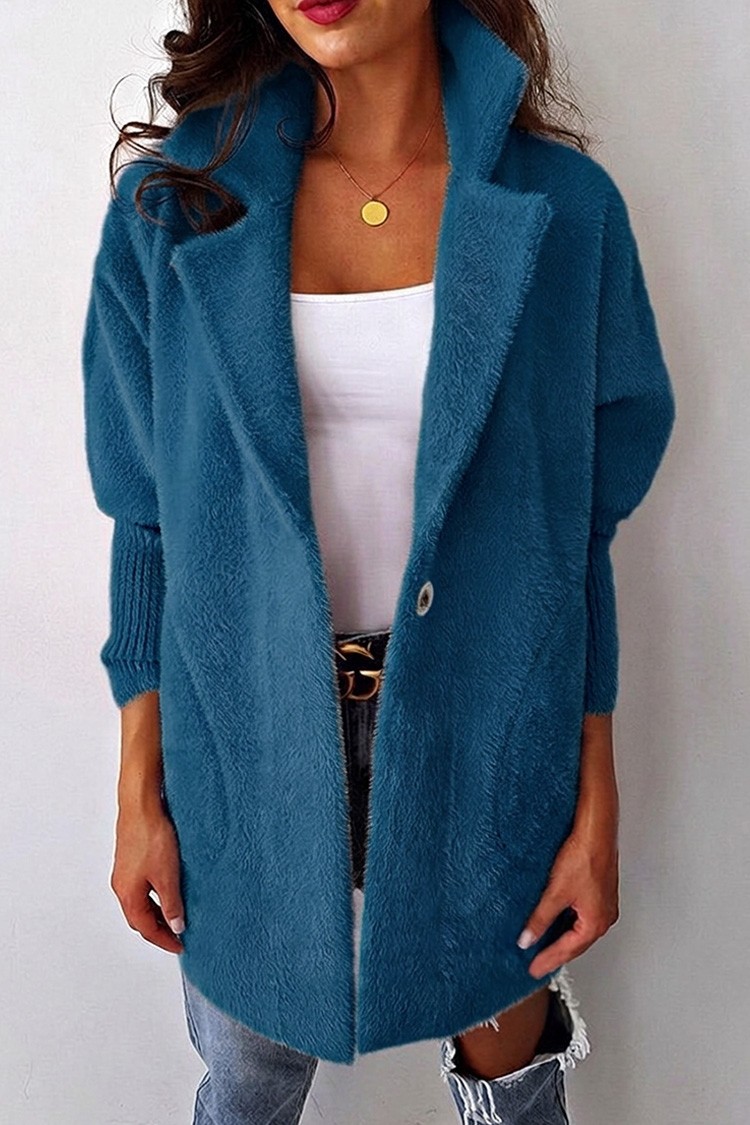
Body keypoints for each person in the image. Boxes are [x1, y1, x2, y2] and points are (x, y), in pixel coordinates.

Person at [80, 0, 676, 1121]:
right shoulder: (173, 210)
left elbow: (576, 535)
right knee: (248, 1082)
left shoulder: (561, 211)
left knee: (513, 1090)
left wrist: (593, 798)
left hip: (490, 734)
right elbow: (146, 521)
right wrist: (137, 794)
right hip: (243, 743)